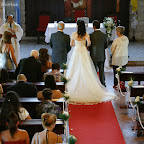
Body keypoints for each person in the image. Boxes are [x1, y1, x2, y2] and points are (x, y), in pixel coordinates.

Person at [66, 20, 116, 104]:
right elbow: (89, 43)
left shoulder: (74, 34)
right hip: (84, 51)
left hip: (77, 51)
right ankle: (91, 84)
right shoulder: (86, 34)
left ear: (77, 26)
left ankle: (75, 85)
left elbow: (71, 44)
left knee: (75, 68)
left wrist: (77, 45)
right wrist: (83, 45)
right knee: (86, 68)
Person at [89, 20, 108, 87]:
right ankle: (103, 83)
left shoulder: (91, 35)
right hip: (101, 55)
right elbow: (106, 46)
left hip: (93, 55)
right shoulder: (104, 35)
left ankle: (94, 83)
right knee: (101, 70)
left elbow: (89, 45)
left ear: (93, 26)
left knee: (94, 70)